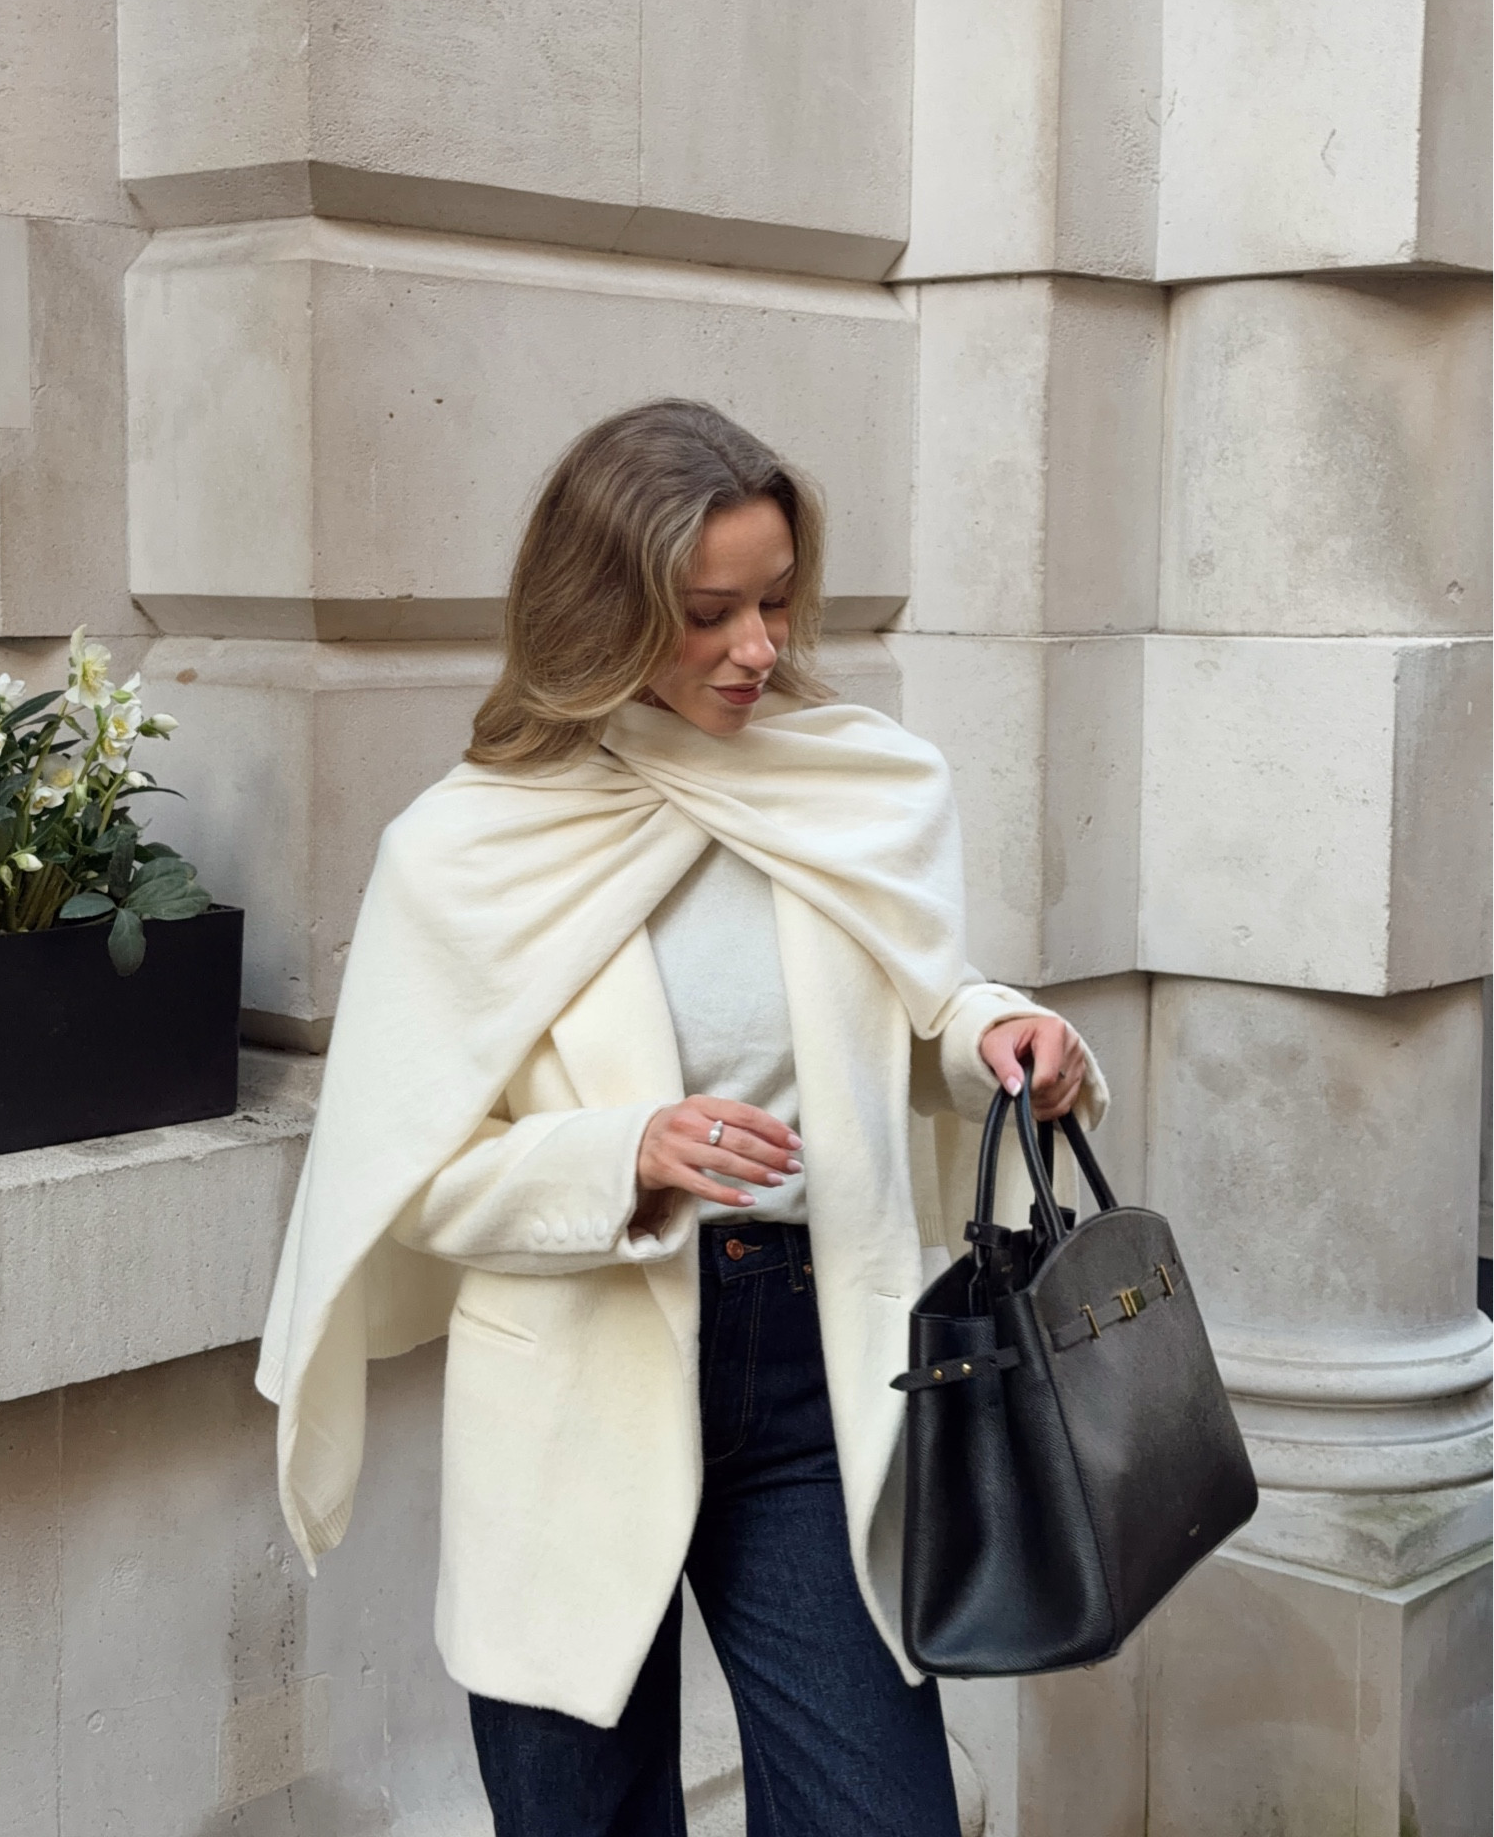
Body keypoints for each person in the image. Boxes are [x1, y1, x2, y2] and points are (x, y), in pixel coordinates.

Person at [257, 400, 1107, 1837]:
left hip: (817, 1371)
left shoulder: (848, 787)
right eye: (708, 612)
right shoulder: (467, 850)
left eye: (775, 600)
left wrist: (992, 1035)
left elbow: (913, 1009)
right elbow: (407, 1185)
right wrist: (620, 1158)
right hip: (577, 1379)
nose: (759, 648)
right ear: (601, 611)